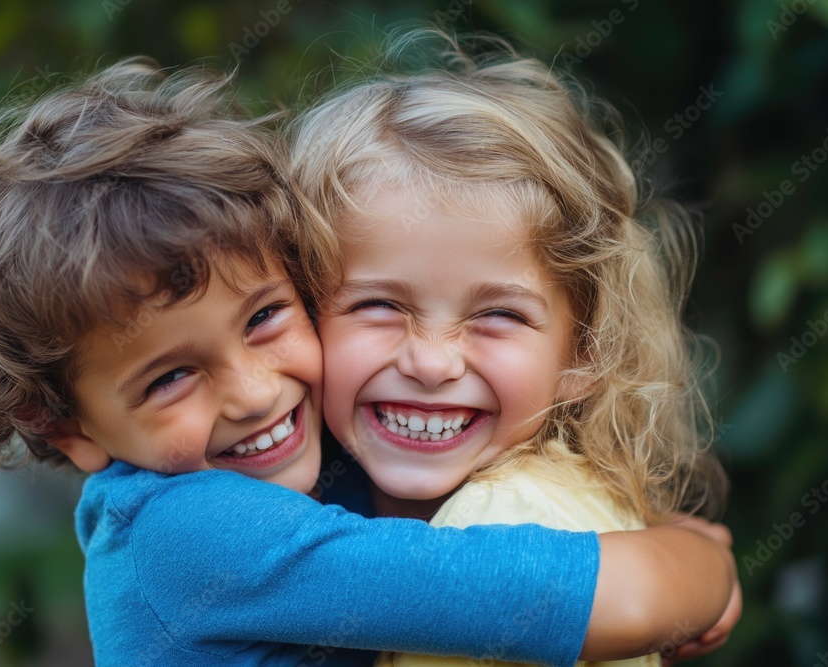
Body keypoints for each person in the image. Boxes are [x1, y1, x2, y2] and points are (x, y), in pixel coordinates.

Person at [0, 58, 737, 667]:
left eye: (266, 318)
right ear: (67, 428)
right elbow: (610, 601)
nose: (256, 391)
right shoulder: (192, 532)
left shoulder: (295, 475)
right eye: (170, 377)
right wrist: (705, 566)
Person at [288, 29, 734, 666]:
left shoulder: (506, 517)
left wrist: (704, 567)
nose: (432, 362)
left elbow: (632, 603)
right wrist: (705, 564)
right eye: (379, 305)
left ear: (584, 353)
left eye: (497, 315)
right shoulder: (315, 495)